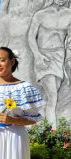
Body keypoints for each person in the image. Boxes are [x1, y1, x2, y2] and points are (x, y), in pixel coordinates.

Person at [0, 47, 45, 159]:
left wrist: (12, 120)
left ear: (12, 62)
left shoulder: (24, 88)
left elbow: (33, 119)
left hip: (14, 138)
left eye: (2, 60)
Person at [28, 0, 71, 128]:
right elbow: (31, 37)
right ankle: (53, 131)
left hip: (59, 57)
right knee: (52, 95)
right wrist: (37, 55)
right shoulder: (40, 14)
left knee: (52, 97)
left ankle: (46, 129)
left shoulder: (69, 15)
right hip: (44, 56)